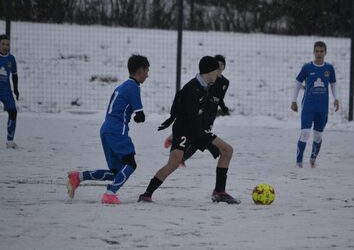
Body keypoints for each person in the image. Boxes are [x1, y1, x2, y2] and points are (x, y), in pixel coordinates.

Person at [138, 56, 240, 204]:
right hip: (185, 131)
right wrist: (174, 123)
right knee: (173, 163)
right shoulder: (193, 88)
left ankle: (219, 191)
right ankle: (146, 194)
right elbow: (182, 105)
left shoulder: (207, 85)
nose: (219, 74)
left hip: (198, 129)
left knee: (227, 150)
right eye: (216, 71)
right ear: (208, 72)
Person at [67, 55, 149, 204]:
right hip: (118, 130)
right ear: (140, 70)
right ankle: (110, 193)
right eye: (147, 71)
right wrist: (139, 117)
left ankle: (78, 177)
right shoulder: (133, 87)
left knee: (115, 173)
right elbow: (141, 115)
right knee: (131, 164)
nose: (148, 75)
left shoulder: (122, 86)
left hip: (106, 129)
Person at [160, 54, 231, 166]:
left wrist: (223, 107)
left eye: (222, 65)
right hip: (202, 110)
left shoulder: (225, 83)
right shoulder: (207, 79)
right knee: (197, 134)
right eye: (218, 65)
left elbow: (220, 98)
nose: (220, 67)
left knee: (200, 135)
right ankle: (180, 156)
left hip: (211, 113)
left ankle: (179, 153)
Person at [291, 41, 339, 168]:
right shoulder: (307, 67)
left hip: (322, 109)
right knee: (305, 132)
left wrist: (336, 98)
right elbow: (297, 83)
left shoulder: (329, 68)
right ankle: (299, 163)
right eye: (317, 51)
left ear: (325, 53)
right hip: (308, 106)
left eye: (321, 51)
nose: (319, 53)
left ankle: (313, 158)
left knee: (318, 137)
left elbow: (333, 84)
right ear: (313, 52)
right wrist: (293, 100)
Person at [0, 34, 19, 149]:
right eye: (3, 44)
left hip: (6, 91)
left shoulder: (11, 59)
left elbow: (15, 75)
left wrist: (16, 89)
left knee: (13, 112)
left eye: (7, 44)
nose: (5, 46)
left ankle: (10, 141)